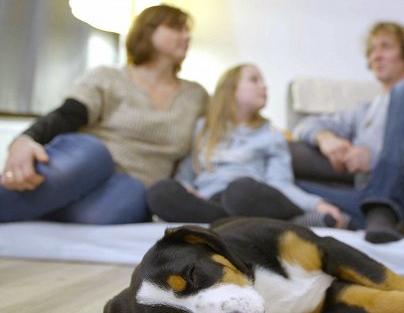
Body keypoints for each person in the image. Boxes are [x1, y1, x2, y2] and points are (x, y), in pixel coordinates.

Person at [0, 5, 208, 224]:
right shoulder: (108, 77)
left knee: (109, 209)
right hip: (88, 163)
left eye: (187, 30)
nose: (186, 36)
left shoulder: (196, 96)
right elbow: (68, 115)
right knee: (94, 152)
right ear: (147, 31)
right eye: (177, 28)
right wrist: (25, 139)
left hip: (133, 185)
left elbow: (206, 147)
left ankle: (44, 204)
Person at [293, 22, 404, 243]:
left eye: (385, 47)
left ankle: (380, 211)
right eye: (372, 50)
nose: (376, 56)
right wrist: (325, 139)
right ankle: (344, 219)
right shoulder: (363, 110)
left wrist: (374, 158)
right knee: (284, 180)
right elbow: (303, 126)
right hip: (367, 201)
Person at [147, 64, 349, 228]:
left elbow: (281, 183)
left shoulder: (271, 135)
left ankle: (280, 219)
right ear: (231, 89)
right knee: (160, 192)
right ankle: (284, 225)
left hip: (251, 197)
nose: (264, 86)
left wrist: (316, 204)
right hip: (210, 202)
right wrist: (187, 188)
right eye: (254, 80)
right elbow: (186, 174)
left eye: (263, 81)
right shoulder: (203, 128)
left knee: (240, 191)